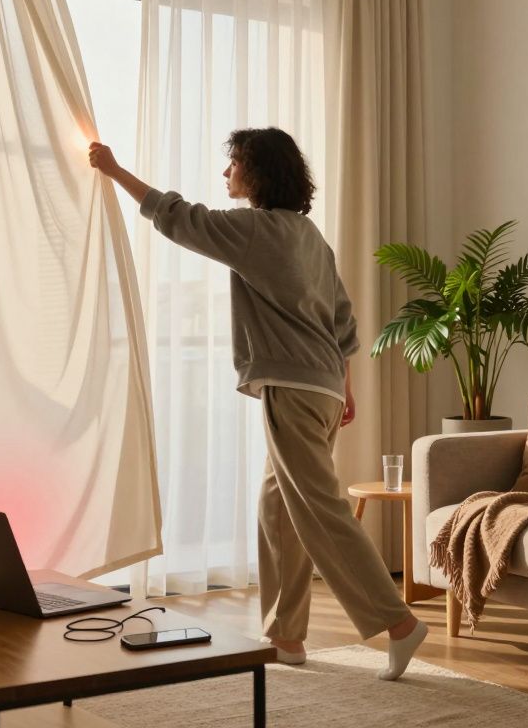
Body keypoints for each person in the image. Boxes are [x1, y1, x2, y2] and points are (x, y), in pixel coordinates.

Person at [88, 128, 426, 680]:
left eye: (234, 164)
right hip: (321, 386)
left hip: (292, 388)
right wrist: (345, 388)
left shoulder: (256, 231)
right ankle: (286, 637)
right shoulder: (310, 236)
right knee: (278, 507)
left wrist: (114, 169)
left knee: (318, 508)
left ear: (258, 171)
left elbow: (178, 217)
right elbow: (342, 321)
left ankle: (399, 623)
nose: (226, 174)